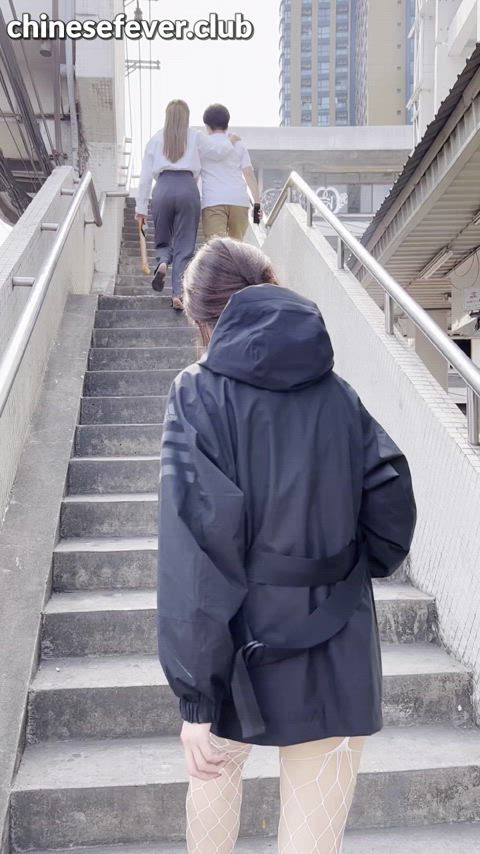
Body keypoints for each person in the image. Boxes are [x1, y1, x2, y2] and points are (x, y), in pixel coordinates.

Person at [157, 238, 417, 853]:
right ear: (271, 282)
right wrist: (349, 565)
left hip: (238, 646)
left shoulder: (197, 393)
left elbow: (195, 547)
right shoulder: (338, 393)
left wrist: (195, 696)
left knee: (214, 797)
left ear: (200, 317)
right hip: (335, 635)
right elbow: (390, 501)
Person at [135, 99, 233, 310]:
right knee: (185, 244)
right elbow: (219, 153)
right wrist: (229, 139)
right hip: (187, 188)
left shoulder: (155, 139)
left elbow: (144, 178)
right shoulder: (196, 136)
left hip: (162, 188)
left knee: (163, 237)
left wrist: (140, 207)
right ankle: (178, 293)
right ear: (187, 117)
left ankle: (162, 262)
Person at [201, 103, 262, 241]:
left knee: (216, 249)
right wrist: (257, 204)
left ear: (207, 125)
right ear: (227, 124)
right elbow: (249, 175)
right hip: (239, 201)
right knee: (236, 248)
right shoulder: (239, 144)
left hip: (213, 201)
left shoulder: (203, 145)